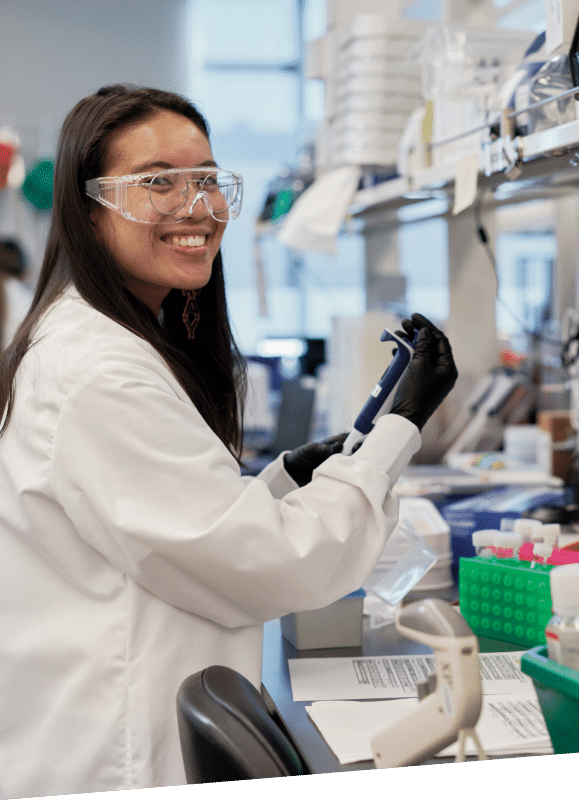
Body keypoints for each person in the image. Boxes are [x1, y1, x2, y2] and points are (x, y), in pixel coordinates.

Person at [0, 84, 457, 799]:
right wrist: (398, 430)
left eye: (208, 179)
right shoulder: (98, 371)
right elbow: (274, 564)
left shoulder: (99, 339)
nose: (198, 206)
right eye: (158, 182)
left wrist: (279, 482)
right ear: (88, 210)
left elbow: (165, 530)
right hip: (110, 752)